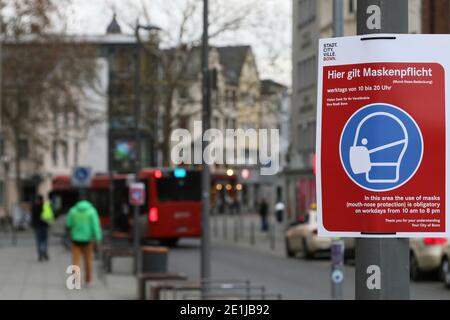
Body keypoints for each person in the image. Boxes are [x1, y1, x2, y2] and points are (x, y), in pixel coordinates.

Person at [66, 199, 102, 286]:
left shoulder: (72, 211)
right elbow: (96, 226)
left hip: (76, 239)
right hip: (88, 240)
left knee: (75, 261)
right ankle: (88, 279)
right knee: (88, 260)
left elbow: (69, 224)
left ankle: (75, 280)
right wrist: (98, 238)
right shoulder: (92, 211)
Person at [31, 195, 53, 261]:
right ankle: (44, 251)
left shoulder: (34, 206)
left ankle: (40, 254)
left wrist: (32, 225)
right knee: (44, 240)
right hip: (44, 225)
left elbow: (32, 217)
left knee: (39, 241)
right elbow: (49, 215)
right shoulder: (45, 206)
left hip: (37, 226)